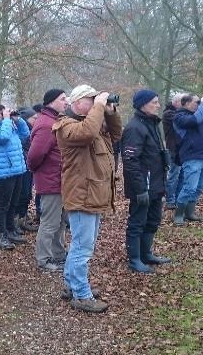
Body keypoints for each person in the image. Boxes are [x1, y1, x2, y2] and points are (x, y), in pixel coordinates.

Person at [53, 85, 122, 313]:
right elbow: (87, 133)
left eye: (96, 99)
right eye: (90, 99)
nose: (95, 103)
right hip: (82, 195)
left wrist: (110, 112)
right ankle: (82, 295)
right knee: (83, 248)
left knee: (81, 246)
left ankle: (71, 286)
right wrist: (100, 106)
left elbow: (116, 135)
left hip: (92, 193)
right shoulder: (66, 126)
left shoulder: (93, 121)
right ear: (78, 103)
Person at [121, 90, 172, 275]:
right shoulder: (134, 128)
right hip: (143, 186)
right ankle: (134, 259)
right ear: (143, 104)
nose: (158, 105)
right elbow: (130, 161)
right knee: (137, 222)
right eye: (154, 102)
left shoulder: (151, 124)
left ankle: (146, 254)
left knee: (153, 219)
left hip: (156, 184)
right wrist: (140, 189)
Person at [27, 89, 67, 272]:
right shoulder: (46, 125)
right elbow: (34, 156)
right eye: (62, 99)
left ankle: (58, 254)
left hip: (59, 180)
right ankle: (44, 259)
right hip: (50, 181)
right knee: (50, 222)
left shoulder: (54, 121)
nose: (66, 102)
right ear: (51, 102)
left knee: (60, 221)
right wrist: (41, 173)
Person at [0, 103, 30, 250]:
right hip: (4, 173)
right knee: (2, 205)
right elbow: (3, 137)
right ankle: (1, 234)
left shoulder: (8, 125)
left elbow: (25, 134)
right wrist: (8, 120)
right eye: (0, 113)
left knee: (13, 203)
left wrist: (18, 119)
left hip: (17, 170)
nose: (3, 115)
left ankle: (11, 229)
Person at [172, 95, 203, 226]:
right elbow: (195, 120)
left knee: (199, 187)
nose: (198, 104)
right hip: (191, 157)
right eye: (196, 102)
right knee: (189, 187)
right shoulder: (179, 117)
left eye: (199, 102)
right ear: (186, 103)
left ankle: (189, 213)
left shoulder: (197, 115)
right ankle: (178, 215)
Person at [15, 107, 40, 233]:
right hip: (22, 167)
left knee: (27, 194)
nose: (37, 119)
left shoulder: (33, 130)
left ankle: (22, 219)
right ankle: (17, 221)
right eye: (34, 118)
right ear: (26, 119)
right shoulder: (23, 132)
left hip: (29, 166)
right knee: (22, 194)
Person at [162, 93, 185, 209]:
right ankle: (170, 200)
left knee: (182, 175)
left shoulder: (175, 113)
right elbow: (181, 120)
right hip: (174, 148)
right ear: (176, 102)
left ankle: (177, 199)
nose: (184, 105)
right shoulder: (168, 114)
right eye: (182, 102)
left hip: (181, 149)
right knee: (174, 175)